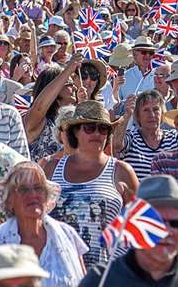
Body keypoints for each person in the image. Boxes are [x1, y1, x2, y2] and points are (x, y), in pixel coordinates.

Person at [0, 161, 90, 287]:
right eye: (23, 189)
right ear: (10, 200)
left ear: (46, 196)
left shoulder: (67, 235)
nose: (33, 195)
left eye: (38, 188)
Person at [42, 101, 138, 268]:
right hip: (58, 270)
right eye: (89, 127)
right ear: (76, 132)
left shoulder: (122, 171)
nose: (97, 133)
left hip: (105, 277)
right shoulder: (51, 168)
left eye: (102, 129)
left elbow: (140, 224)